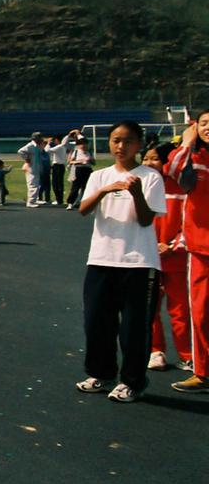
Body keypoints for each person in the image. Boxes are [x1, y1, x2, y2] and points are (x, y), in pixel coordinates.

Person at [75, 120, 165, 403]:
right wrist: (102, 191)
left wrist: (136, 193)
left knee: (134, 329)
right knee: (96, 323)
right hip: (102, 260)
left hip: (139, 262)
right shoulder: (100, 176)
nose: (120, 146)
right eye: (115, 140)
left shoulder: (150, 177)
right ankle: (102, 374)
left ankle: (133, 381)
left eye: (127, 141)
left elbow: (146, 219)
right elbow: (83, 210)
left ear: (139, 145)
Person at [166, 112, 209, 393]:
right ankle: (203, 373)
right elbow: (174, 172)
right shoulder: (195, 158)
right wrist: (186, 143)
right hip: (200, 248)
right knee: (201, 314)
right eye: (204, 123)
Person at [142, 143, 192, 372]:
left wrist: (172, 246)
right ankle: (156, 351)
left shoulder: (182, 191)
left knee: (180, 310)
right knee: (149, 308)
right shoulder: (140, 188)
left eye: (155, 159)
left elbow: (191, 224)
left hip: (176, 259)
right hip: (147, 258)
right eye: (146, 158)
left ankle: (188, 355)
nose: (149, 163)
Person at [45, 130, 79, 206]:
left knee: (56, 184)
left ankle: (59, 200)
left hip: (57, 166)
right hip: (60, 166)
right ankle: (59, 199)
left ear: (57, 140)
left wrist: (48, 143)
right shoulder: (62, 147)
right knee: (59, 183)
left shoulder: (59, 147)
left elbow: (47, 150)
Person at [17, 131, 46, 207]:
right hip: (31, 168)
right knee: (32, 185)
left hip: (36, 167)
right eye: (40, 138)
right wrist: (27, 158)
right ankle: (30, 202)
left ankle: (34, 199)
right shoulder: (30, 145)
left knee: (36, 185)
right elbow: (20, 151)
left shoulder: (38, 146)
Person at [66, 136, 95, 210]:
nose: (84, 146)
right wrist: (81, 161)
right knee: (75, 187)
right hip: (78, 169)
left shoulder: (89, 152)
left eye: (85, 144)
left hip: (87, 170)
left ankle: (84, 202)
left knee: (86, 187)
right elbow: (70, 162)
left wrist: (90, 160)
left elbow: (94, 163)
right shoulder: (76, 152)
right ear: (78, 145)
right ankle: (70, 203)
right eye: (82, 144)